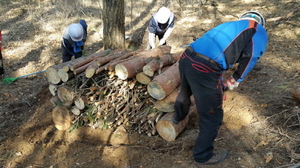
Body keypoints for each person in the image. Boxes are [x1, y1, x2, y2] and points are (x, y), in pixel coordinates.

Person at [172, 11, 268, 166]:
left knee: (185, 90)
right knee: (212, 115)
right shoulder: (258, 30)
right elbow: (251, 57)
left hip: (187, 56)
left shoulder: (233, 25)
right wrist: (236, 79)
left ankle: (178, 117)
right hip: (204, 67)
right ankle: (203, 156)